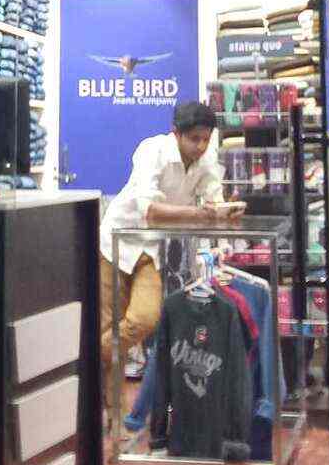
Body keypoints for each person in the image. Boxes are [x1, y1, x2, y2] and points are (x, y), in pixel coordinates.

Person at [98, 100, 243, 389]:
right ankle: (114, 411)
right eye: (194, 139)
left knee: (145, 319)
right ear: (176, 133)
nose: (201, 146)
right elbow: (150, 211)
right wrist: (203, 214)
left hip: (153, 250)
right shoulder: (152, 150)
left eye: (206, 139)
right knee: (109, 325)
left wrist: (226, 211)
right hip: (115, 242)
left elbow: (213, 198)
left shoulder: (207, 159)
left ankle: (89, 352)